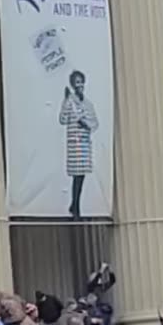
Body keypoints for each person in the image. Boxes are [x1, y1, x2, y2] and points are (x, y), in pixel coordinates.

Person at [59, 70, 99, 218]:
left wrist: (85, 123)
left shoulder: (88, 104)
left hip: (85, 145)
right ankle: (75, 206)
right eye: (77, 83)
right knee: (77, 175)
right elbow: (62, 120)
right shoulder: (70, 102)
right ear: (73, 85)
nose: (79, 85)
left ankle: (74, 204)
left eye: (81, 82)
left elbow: (95, 123)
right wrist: (65, 101)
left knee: (81, 176)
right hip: (75, 144)